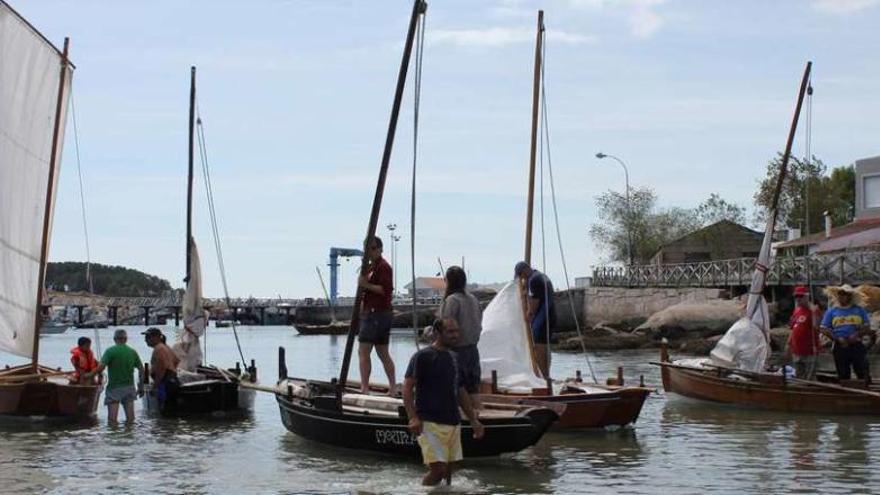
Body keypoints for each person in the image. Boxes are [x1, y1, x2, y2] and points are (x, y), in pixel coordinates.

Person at [403, 318, 484, 486]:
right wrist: (413, 418)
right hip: (430, 422)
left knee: (448, 472)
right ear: (438, 333)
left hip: (453, 421)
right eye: (450, 332)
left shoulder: (456, 358)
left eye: (457, 331)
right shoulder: (423, 357)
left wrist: (474, 420)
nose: (455, 335)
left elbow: (460, 390)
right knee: (438, 470)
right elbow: (407, 388)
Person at [438, 265, 483, 409]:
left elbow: (446, 325)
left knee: (457, 389)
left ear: (449, 281)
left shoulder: (452, 300)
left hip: (457, 351)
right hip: (473, 351)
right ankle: (480, 418)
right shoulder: (473, 299)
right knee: (473, 390)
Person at [357, 236, 396, 395]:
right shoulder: (371, 268)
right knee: (382, 352)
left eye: (373, 249)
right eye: (367, 249)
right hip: (376, 313)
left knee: (364, 350)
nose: (370, 252)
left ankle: (365, 387)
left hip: (376, 314)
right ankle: (392, 388)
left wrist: (365, 284)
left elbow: (385, 290)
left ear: (380, 249)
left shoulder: (383, 267)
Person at [85, 329, 145, 424]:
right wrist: (141, 387)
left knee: (112, 420)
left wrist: (89, 375)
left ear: (114, 339)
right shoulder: (132, 352)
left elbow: (101, 367)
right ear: (126, 339)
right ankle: (129, 436)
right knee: (131, 420)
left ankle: (114, 437)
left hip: (114, 388)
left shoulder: (110, 351)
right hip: (129, 387)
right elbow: (142, 370)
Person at [820, 285, 874, 380]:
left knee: (862, 370)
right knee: (843, 373)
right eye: (840, 294)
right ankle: (846, 391)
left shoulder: (859, 310)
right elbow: (824, 328)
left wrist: (857, 334)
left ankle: (866, 390)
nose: (841, 296)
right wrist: (836, 338)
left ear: (849, 296)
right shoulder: (832, 311)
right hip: (840, 344)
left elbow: (867, 327)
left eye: (844, 294)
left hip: (856, 343)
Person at [514, 261, 556, 378]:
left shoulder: (533, 280)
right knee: (545, 345)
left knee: (539, 346)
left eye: (521, 275)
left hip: (542, 318)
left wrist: (529, 313)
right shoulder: (542, 276)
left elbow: (534, 301)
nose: (521, 278)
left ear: (524, 271)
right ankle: (546, 375)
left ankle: (544, 376)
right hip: (551, 316)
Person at [787, 286, 821, 380]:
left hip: (809, 351)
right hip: (797, 350)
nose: (798, 299)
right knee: (799, 375)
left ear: (806, 297)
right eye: (796, 297)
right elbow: (792, 328)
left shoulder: (814, 310)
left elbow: (816, 328)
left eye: (801, 296)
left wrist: (814, 313)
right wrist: (788, 344)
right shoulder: (796, 310)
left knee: (810, 378)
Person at [143, 327, 181, 411]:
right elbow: (176, 361)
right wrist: (172, 370)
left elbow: (161, 370)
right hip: (173, 381)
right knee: (171, 409)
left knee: (165, 410)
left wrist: (155, 386)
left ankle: (164, 424)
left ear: (156, 337)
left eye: (148, 337)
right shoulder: (165, 347)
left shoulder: (158, 349)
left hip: (165, 384)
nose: (145, 340)